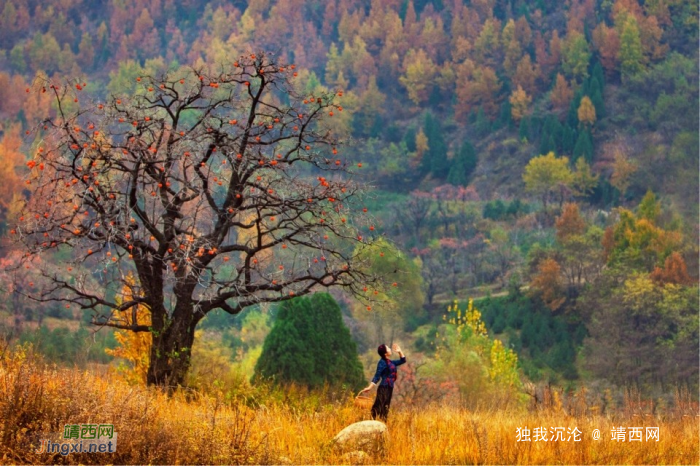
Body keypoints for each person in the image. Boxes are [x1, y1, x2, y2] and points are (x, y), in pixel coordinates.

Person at [360, 343, 406, 421]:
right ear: (385, 353)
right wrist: (369, 387)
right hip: (384, 387)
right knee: (378, 406)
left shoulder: (391, 362)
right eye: (388, 348)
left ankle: (382, 425)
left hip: (389, 387)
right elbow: (377, 376)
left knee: (385, 408)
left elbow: (403, 360)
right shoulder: (382, 363)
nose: (390, 349)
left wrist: (399, 351)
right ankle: (371, 422)